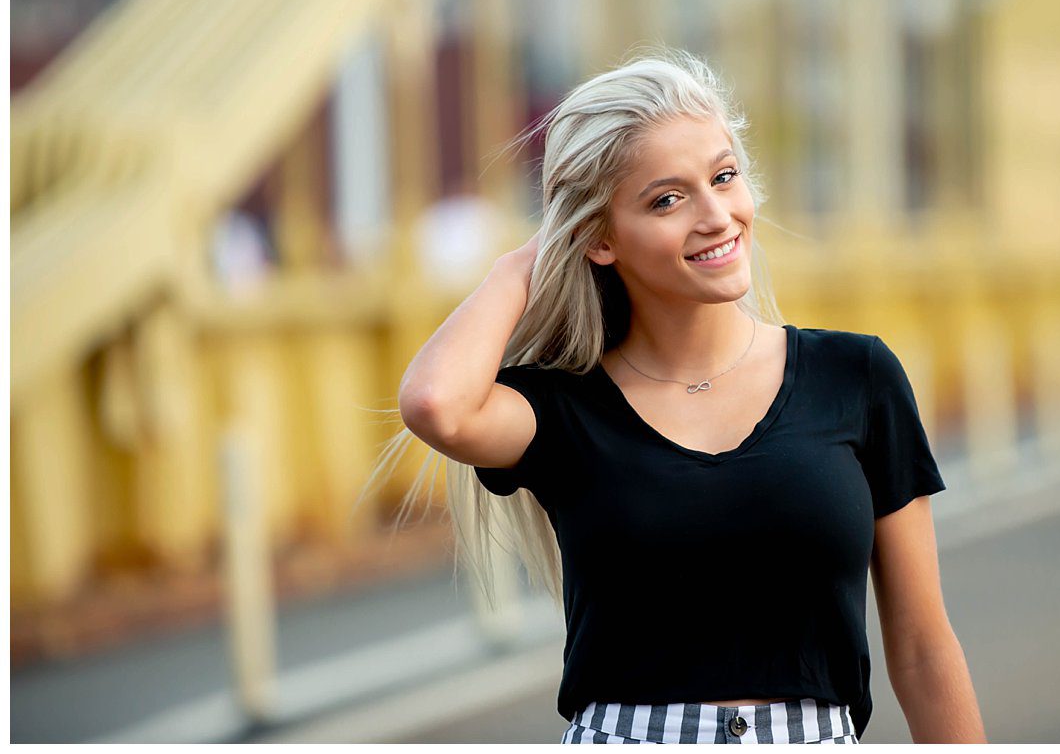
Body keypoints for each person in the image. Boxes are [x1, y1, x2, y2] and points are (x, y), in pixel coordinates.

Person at [396, 52, 985, 744]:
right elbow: (437, 404)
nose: (717, 216)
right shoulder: (563, 408)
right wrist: (525, 260)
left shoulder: (855, 377)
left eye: (724, 177)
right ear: (600, 238)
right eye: (667, 199)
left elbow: (920, 647)